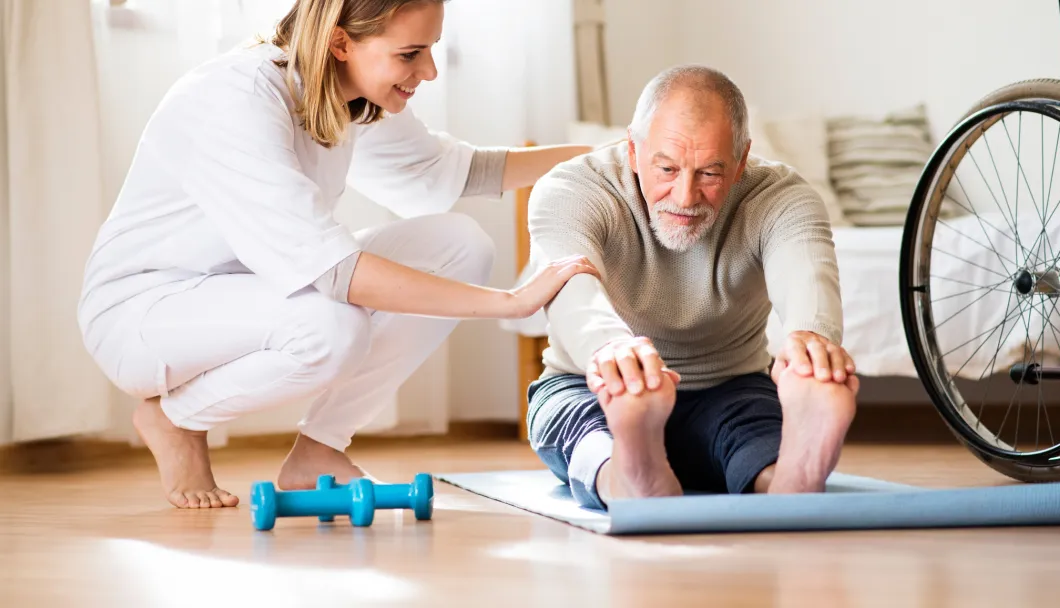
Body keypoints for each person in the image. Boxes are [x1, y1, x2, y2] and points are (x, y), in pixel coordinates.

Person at [76, 0, 597, 509]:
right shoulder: (235, 96)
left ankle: (319, 453)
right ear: (341, 42)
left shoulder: (345, 92)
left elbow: (456, 173)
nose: (430, 71)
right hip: (145, 312)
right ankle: (177, 417)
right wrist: (510, 301)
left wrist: (608, 160)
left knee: (459, 245)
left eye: (431, 50)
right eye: (411, 53)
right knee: (330, 328)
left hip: (253, 291)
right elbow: (333, 271)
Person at [525, 64, 860, 510]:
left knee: (753, 430)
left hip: (729, 389)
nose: (684, 197)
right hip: (592, 386)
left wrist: (810, 345)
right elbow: (572, 290)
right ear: (632, 149)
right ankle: (626, 473)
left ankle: (791, 479)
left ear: (741, 160)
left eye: (709, 174)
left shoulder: (782, 197)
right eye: (666, 168)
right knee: (583, 431)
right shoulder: (571, 189)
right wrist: (613, 354)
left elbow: (806, 273)